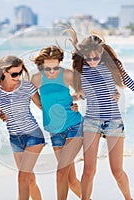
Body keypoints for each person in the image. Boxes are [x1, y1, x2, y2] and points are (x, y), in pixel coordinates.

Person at [64, 26, 134, 200]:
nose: (92, 61)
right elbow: (81, 94)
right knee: (88, 170)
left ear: (102, 51)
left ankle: (128, 198)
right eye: (88, 58)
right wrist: (70, 103)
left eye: (95, 57)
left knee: (117, 171)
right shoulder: (81, 69)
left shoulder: (113, 67)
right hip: (91, 122)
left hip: (113, 122)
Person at [31, 45, 83, 200]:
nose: (52, 72)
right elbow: (38, 103)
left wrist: (74, 101)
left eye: (55, 67)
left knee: (61, 172)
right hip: (54, 130)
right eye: (48, 68)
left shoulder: (67, 75)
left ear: (60, 62)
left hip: (75, 125)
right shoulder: (36, 79)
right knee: (71, 179)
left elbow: (82, 92)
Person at [0, 55, 45, 200]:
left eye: (20, 73)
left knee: (22, 177)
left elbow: (42, 106)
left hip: (34, 136)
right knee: (30, 180)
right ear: (4, 72)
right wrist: (2, 112)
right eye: (14, 74)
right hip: (15, 139)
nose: (18, 76)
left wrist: (68, 106)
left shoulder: (26, 87)